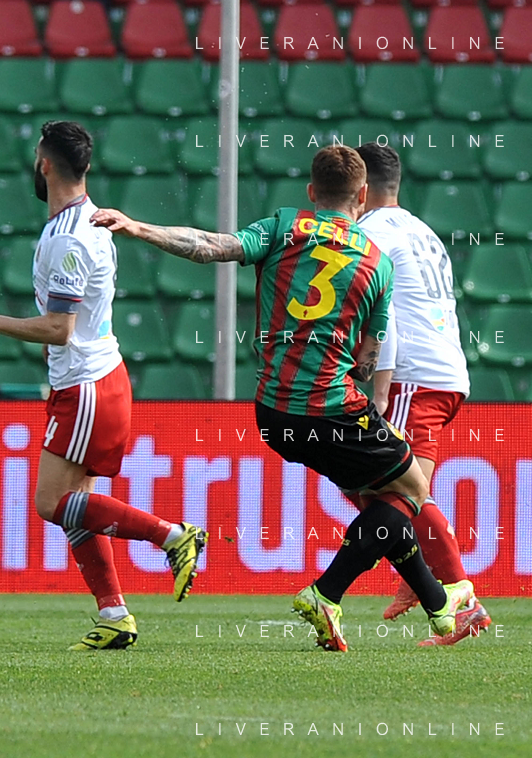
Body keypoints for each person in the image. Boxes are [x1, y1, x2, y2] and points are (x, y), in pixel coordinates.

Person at [91, 145, 473, 652]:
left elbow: (210, 246)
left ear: (312, 192)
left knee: (380, 503)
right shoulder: (376, 261)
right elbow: (369, 357)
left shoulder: (283, 227)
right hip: (333, 410)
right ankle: (329, 594)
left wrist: (139, 228)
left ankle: (437, 606)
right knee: (410, 492)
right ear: (361, 196)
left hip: (274, 416)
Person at [0, 120, 205, 650]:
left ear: (45, 164)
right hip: (89, 380)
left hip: (87, 385)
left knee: (51, 503)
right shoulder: (85, 222)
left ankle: (173, 536)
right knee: (76, 507)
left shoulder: (70, 237)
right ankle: (114, 615)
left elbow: (59, 329)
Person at [352, 143, 490, 647]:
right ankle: (421, 575)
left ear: (360, 189)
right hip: (446, 371)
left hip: (411, 376)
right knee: (384, 491)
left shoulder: (369, 234)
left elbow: (383, 315)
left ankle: (462, 601)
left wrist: (380, 392)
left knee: (394, 488)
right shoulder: (422, 231)